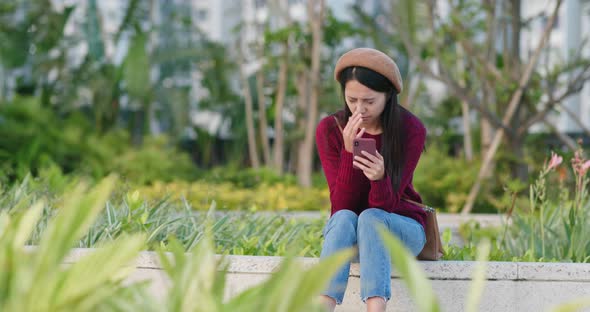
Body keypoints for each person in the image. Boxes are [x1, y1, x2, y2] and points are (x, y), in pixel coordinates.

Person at [315, 48, 428, 312]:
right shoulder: (330, 129)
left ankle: (376, 308)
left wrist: (380, 179)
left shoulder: (410, 129)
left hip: (401, 228)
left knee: (372, 217)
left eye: (369, 101)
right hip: (351, 235)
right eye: (352, 99)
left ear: (388, 96)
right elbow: (341, 207)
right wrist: (347, 152)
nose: (359, 109)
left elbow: (386, 206)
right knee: (343, 219)